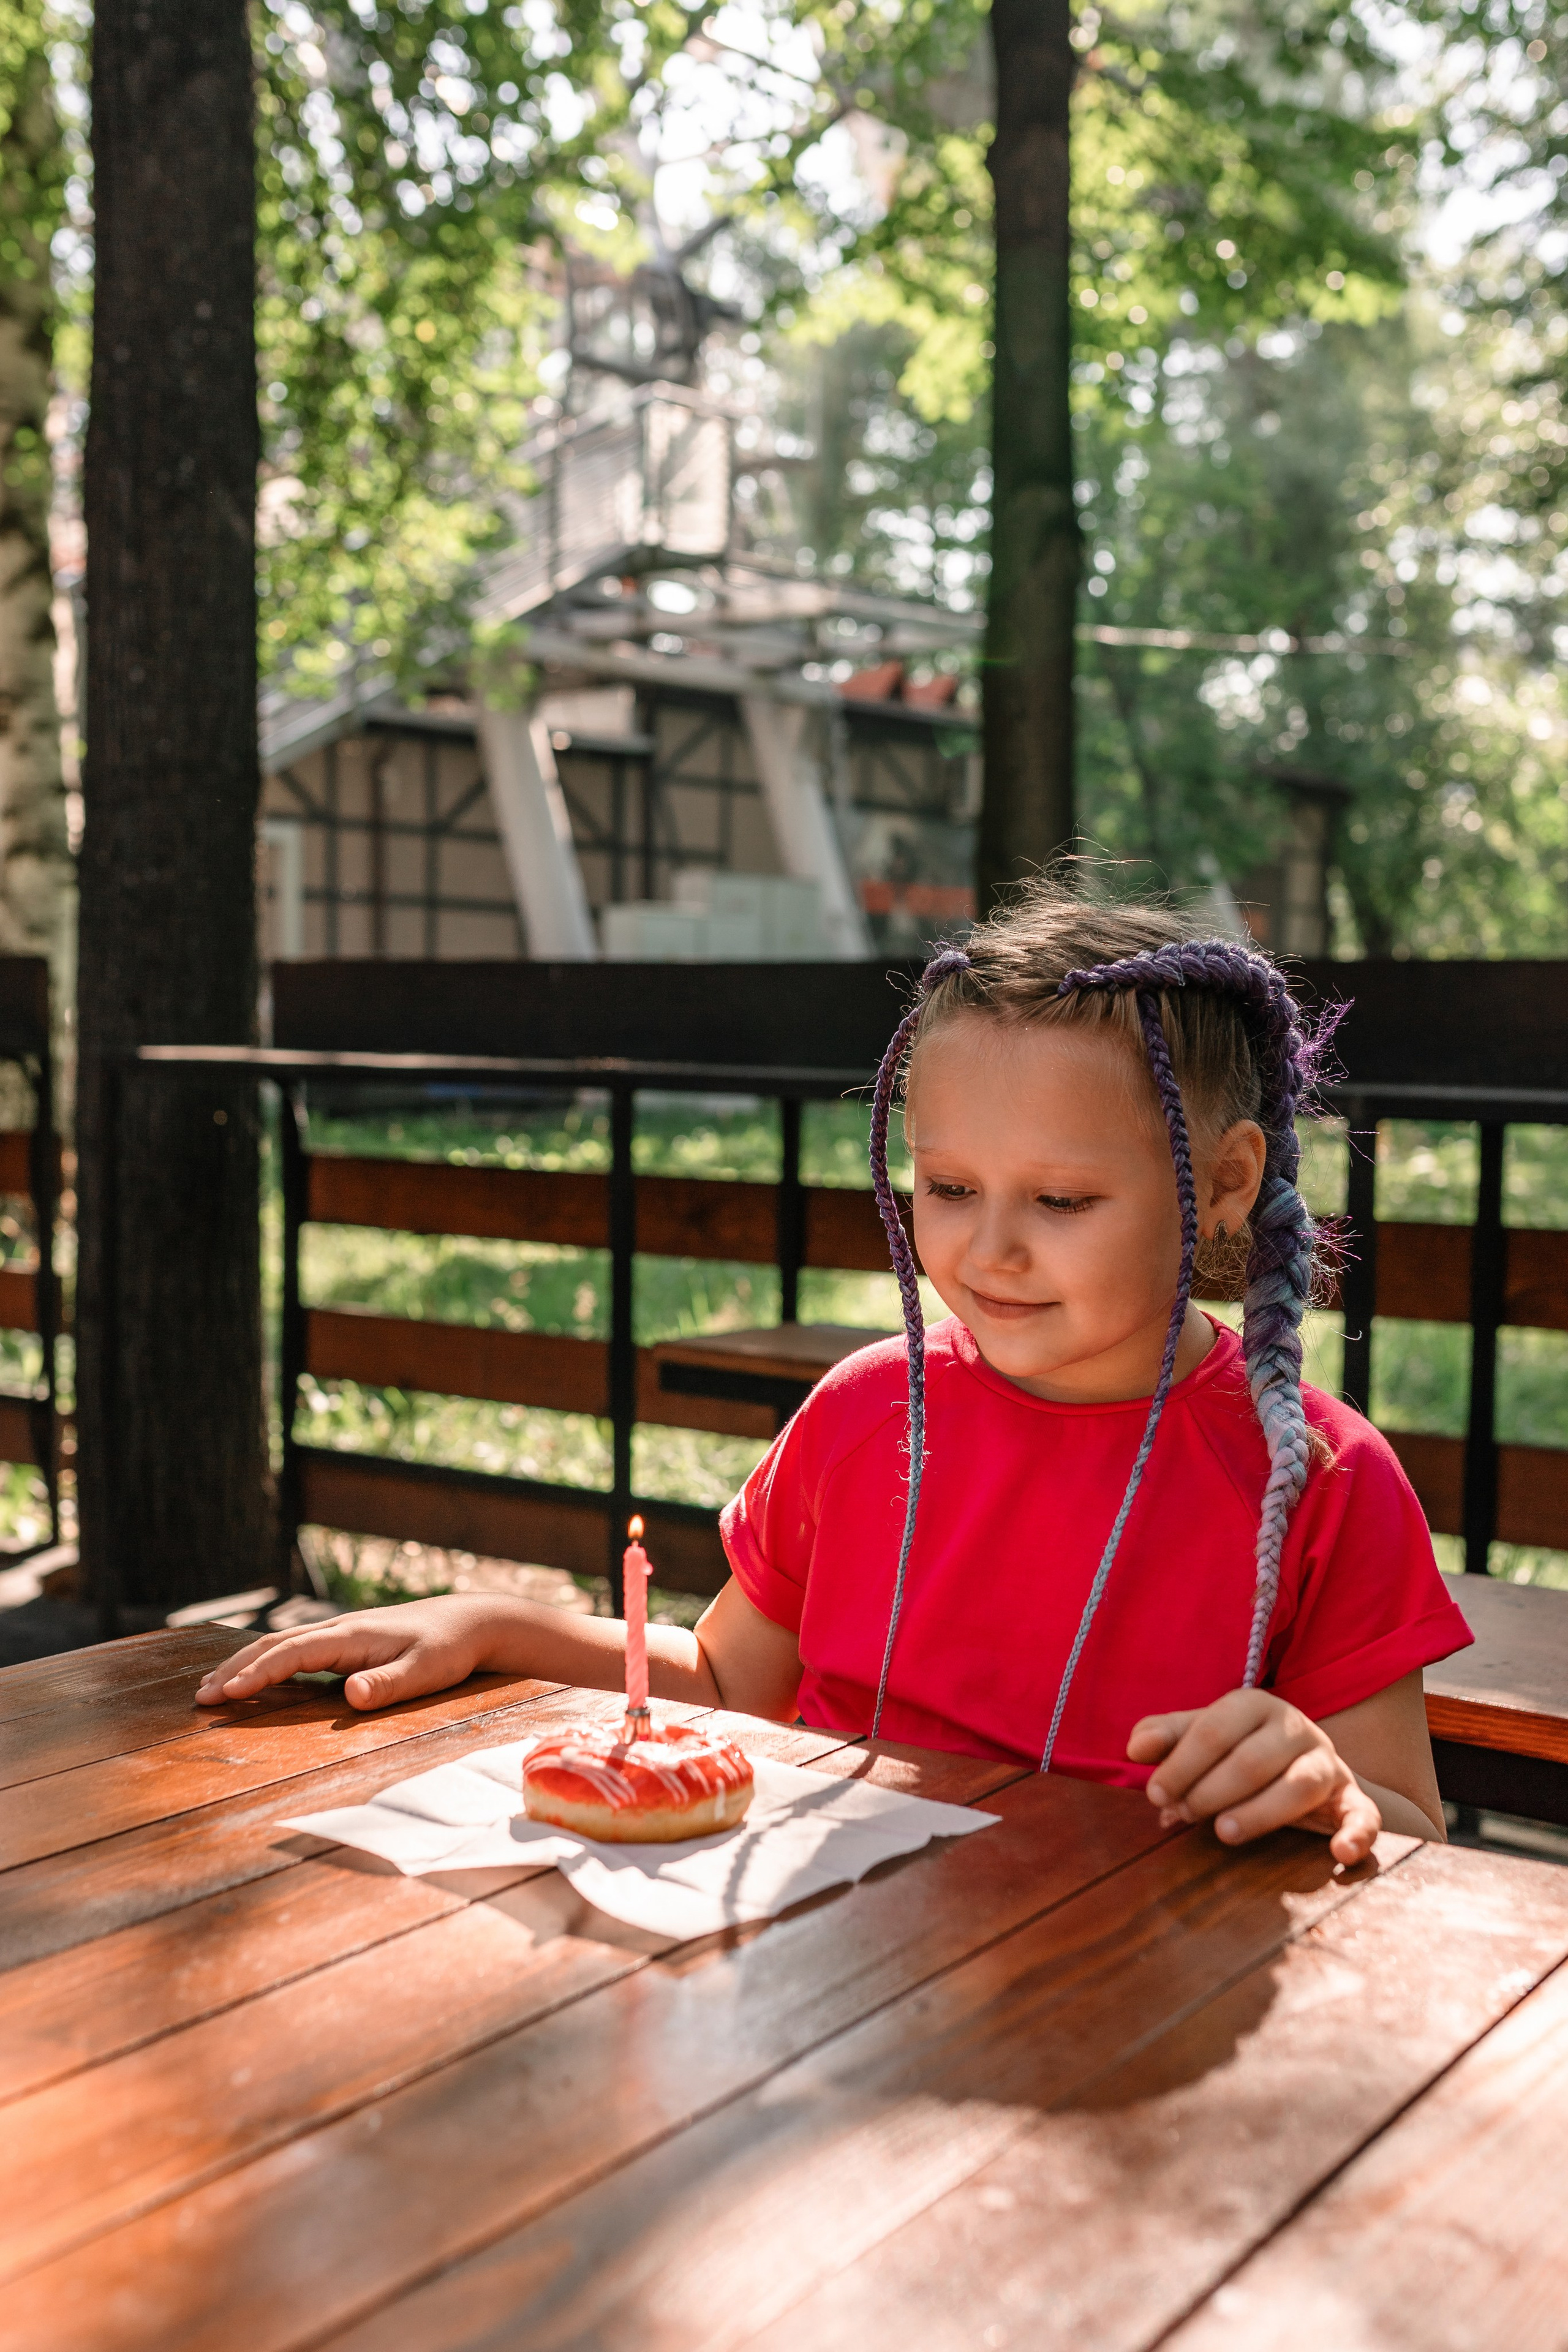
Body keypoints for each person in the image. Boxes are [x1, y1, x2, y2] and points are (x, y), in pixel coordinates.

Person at [197, 883, 1471, 1863]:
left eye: (1063, 1199)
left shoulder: (1317, 1482)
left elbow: (1406, 1822)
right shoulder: (868, 1416)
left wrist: (1320, 1783)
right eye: (948, 1188)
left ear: (1228, 1185)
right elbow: (722, 1687)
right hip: (833, 1999)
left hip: (1125, 2019)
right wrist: (491, 1628)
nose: (989, 1248)